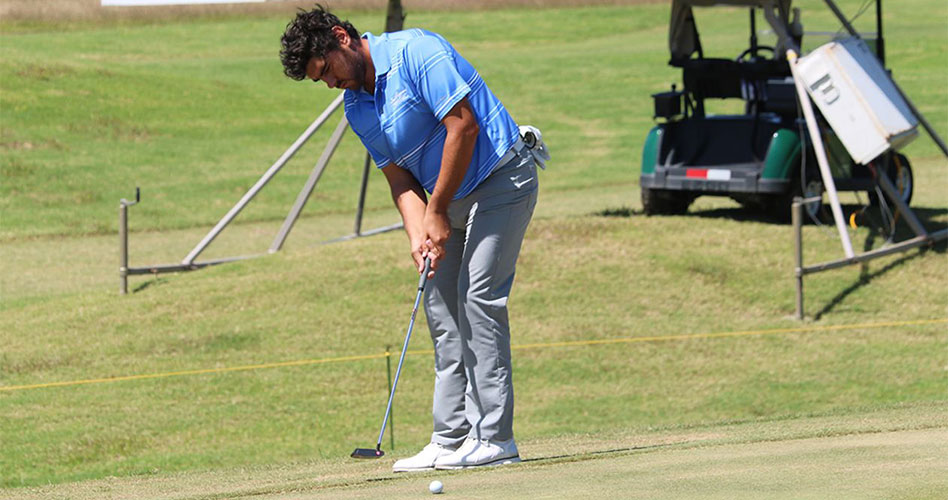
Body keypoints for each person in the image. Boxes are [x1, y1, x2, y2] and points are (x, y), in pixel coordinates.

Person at [280, 5, 547, 471]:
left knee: (477, 296)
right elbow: (400, 181)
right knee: (441, 308)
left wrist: (437, 211)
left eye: (325, 71)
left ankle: (496, 438)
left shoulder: (417, 51)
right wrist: (419, 232)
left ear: (341, 37)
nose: (328, 84)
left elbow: (463, 126)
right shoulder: (355, 108)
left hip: (503, 178)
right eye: (317, 81)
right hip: (451, 200)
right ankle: (449, 439)